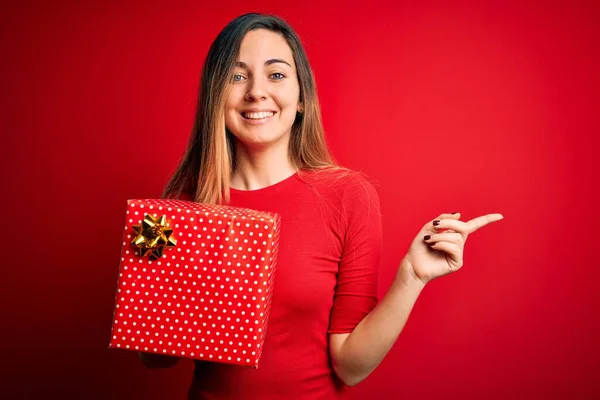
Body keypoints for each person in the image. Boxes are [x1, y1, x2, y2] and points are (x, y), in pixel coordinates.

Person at [137, 12, 504, 399]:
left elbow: (351, 366)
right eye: (237, 75)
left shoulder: (347, 196)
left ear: (301, 100)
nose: (256, 92)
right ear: (215, 94)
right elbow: (156, 360)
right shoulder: (180, 210)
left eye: (276, 75)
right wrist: (149, 281)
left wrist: (411, 276)